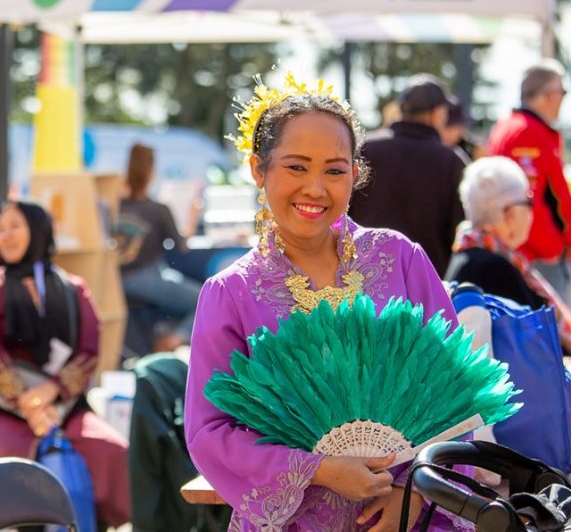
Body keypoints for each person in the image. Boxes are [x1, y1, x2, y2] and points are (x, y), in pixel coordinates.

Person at [184, 75, 466, 531]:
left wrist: (416, 496)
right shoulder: (231, 293)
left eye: (334, 170)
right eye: (296, 167)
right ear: (259, 169)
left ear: (356, 173)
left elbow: (457, 394)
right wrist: (318, 469)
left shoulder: (401, 260)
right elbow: (210, 432)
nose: (316, 188)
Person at [0, 200, 131, 528]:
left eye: (15, 226)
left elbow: (89, 351)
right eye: (0, 229)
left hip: (66, 404)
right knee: (19, 458)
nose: (6, 236)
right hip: (5, 407)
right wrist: (29, 404)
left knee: (109, 449)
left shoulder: (73, 287)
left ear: (38, 229)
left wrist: (51, 391)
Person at [445, 156, 571, 353]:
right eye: (528, 201)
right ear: (509, 213)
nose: (531, 211)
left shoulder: (467, 256)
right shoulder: (497, 270)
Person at [349, 74, 466, 276]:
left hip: (362, 280)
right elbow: (460, 231)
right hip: (425, 284)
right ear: (437, 114)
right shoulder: (451, 161)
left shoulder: (364, 149)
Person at [487, 60, 571, 296]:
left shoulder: (508, 126)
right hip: (537, 257)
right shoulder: (527, 132)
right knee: (554, 330)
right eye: (563, 92)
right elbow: (526, 201)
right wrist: (552, 249)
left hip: (525, 251)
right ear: (550, 95)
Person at [115, 142, 201, 352]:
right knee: (204, 299)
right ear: (151, 172)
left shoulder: (116, 205)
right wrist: (192, 217)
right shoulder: (158, 209)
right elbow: (181, 246)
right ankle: (173, 341)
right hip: (146, 277)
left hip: (114, 280)